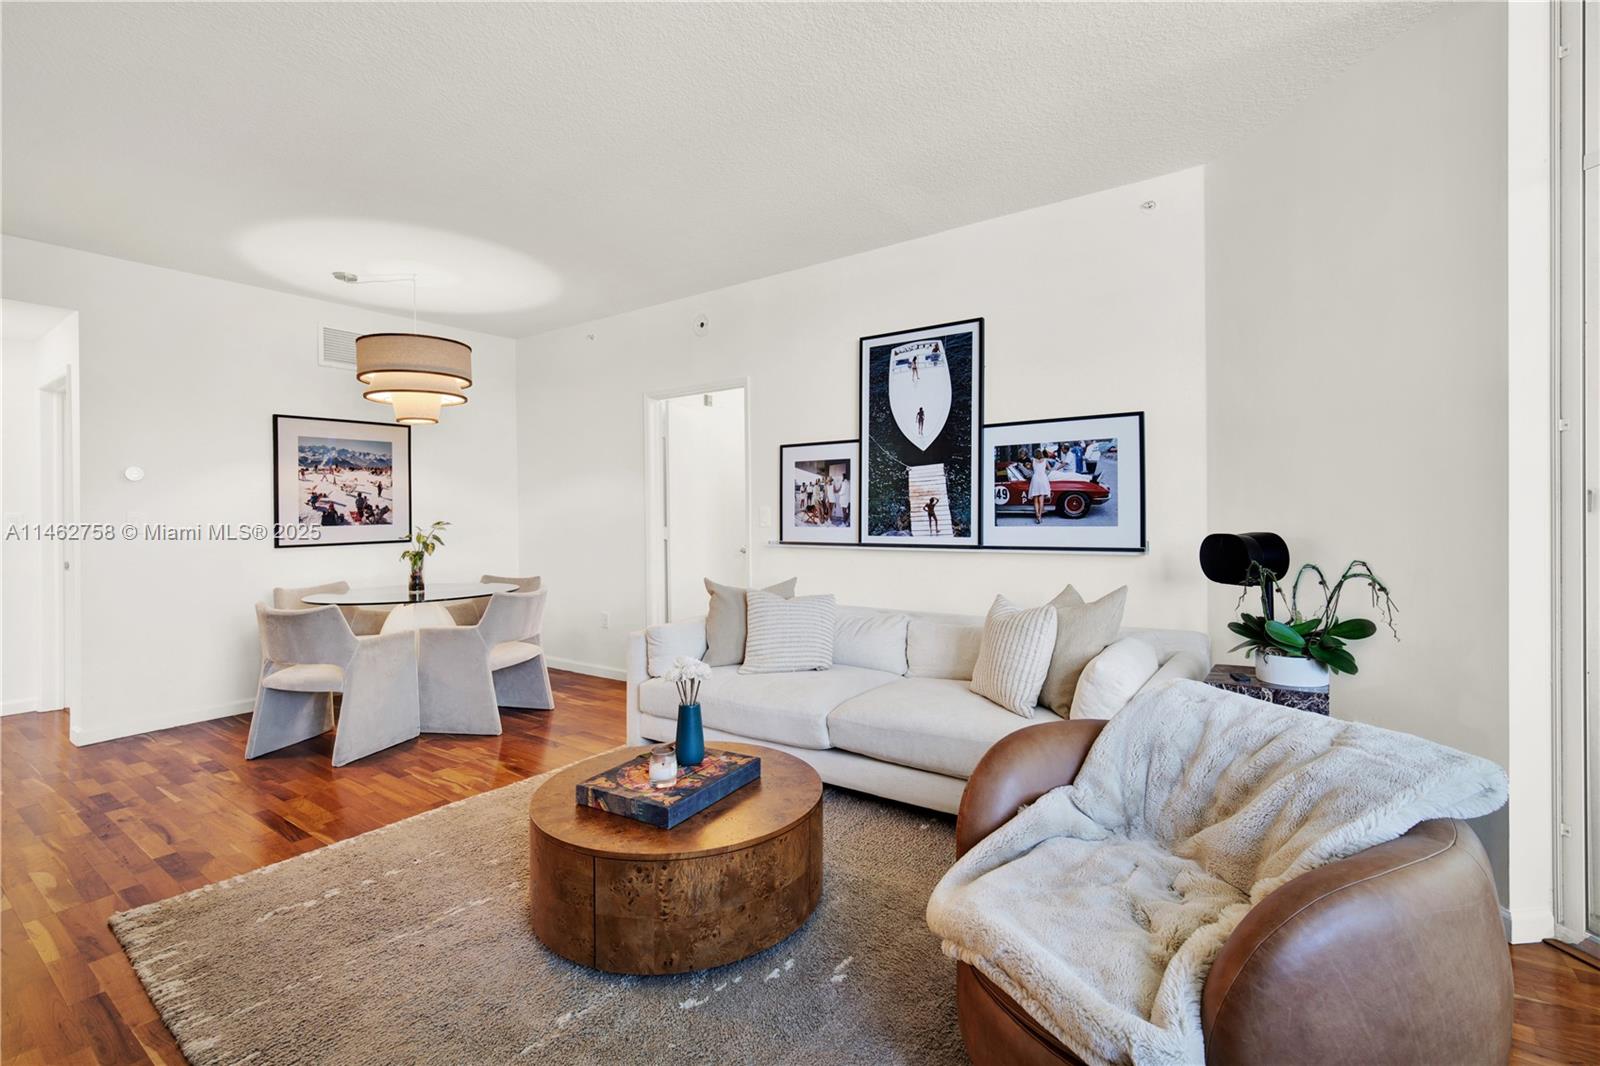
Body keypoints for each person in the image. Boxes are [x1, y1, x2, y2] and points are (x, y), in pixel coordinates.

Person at [1027, 450, 1052, 524]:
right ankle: (1040, 516)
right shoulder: (1045, 460)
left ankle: (1037, 515)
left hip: (1035, 479)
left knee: (1035, 500)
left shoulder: (1033, 460)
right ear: (1041, 454)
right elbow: (1049, 469)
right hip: (1043, 479)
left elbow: (1030, 469)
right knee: (1041, 500)